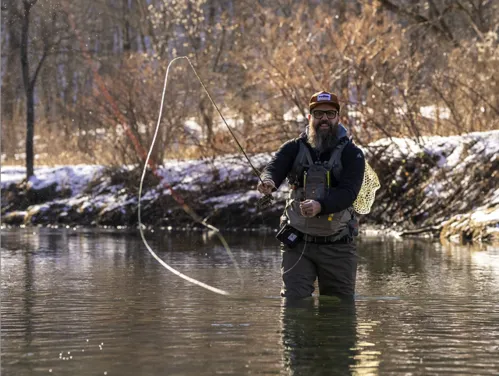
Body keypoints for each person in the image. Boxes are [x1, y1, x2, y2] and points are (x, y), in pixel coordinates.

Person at [257, 91, 365, 300]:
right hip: (297, 244)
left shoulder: (353, 153)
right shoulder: (293, 147)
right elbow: (274, 168)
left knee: (339, 311)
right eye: (318, 114)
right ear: (309, 118)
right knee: (293, 306)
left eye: (330, 113)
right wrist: (268, 181)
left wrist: (320, 206)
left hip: (338, 245)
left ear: (338, 117)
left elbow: (349, 193)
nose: (324, 118)